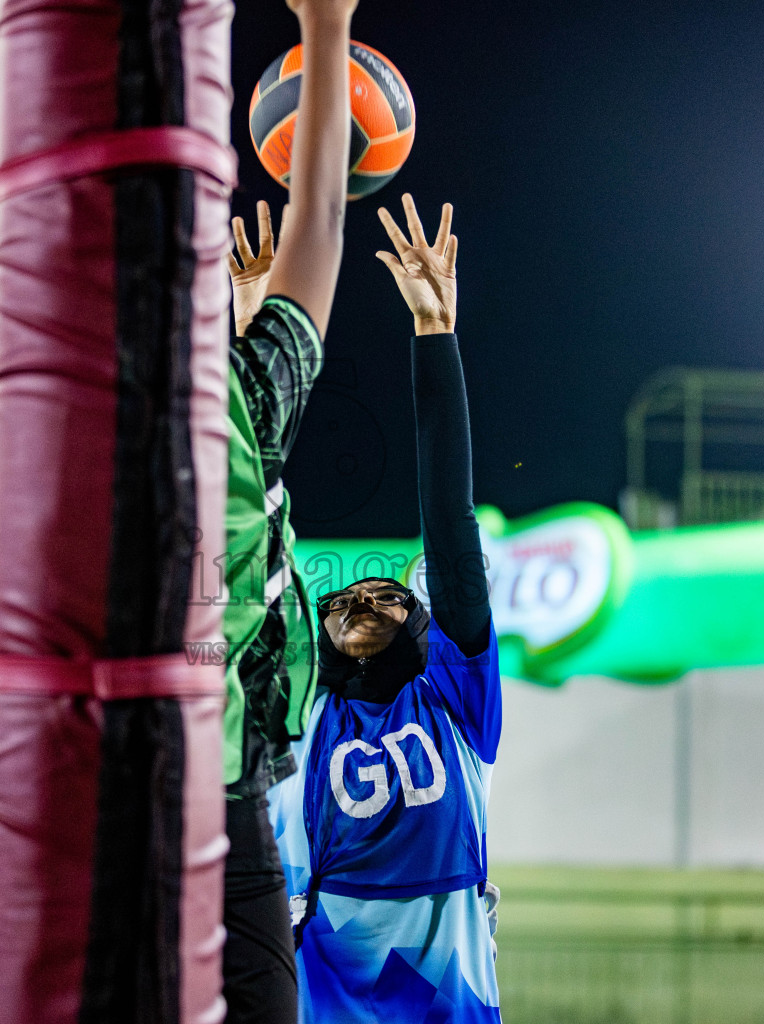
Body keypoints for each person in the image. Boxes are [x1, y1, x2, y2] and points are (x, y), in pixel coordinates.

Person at [0, 0, 358, 1020]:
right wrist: (327, 27)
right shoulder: (210, 392)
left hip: (171, 801)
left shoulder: (188, 386)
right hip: (165, 799)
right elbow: (320, 218)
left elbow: (23, 237)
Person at [267, 194, 503, 1023]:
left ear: (427, 632)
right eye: (350, 597)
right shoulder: (302, 710)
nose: (367, 595)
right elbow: (249, 523)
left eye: (392, 596)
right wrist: (256, 344)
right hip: (324, 990)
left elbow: (448, 519)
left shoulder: (456, 698)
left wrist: (434, 332)